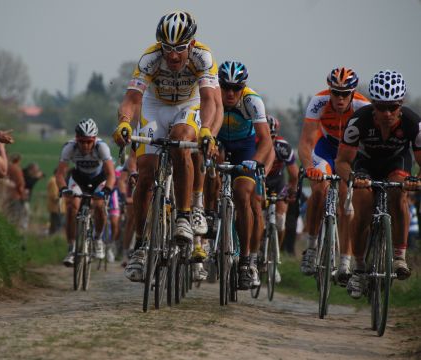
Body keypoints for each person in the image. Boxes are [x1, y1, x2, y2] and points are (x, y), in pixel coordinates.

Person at [112, 11, 223, 282]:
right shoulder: (149, 58)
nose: (173, 56)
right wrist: (125, 123)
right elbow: (131, 98)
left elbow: (210, 100)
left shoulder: (203, 57)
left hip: (189, 104)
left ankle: (185, 215)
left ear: (192, 44)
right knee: (146, 173)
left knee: (182, 142)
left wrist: (206, 129)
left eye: (180, 49)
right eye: (168, 49)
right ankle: (140, 246)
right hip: (155, 106)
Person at [335, 70, 421, 298]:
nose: (387, 112)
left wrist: (417, 181)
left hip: (397, 163)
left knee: (399, 193)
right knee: (361, 204)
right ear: (373, 104)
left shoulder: (413, 123)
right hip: (366, 165)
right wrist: (353, 178)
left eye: (392, 107)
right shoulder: (358, 121)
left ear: (400, 104)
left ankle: (399, 257)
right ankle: (359, 267)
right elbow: (342, 162)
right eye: (381, 107)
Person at [203, 61, 273, 290]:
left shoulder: (252, 101)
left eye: (236, 88)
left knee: (243, 195)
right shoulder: (212, 95)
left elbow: (265, 141)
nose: (230, 93)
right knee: (209, 168)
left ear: (243, 87)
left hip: (245, 148)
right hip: (220, 142)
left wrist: (254, 162)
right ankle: (210, 214)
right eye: (226, 87)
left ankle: (245, 261)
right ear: (219, 85)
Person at [298, 67, 370, 285]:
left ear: (353, 93)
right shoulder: (318, 102)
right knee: (318, 191)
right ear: (329, 91)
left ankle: (346, 263)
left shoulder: (363, 107)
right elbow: (306, 141)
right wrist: (310, 166)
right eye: (335, 93)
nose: (340, 98)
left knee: (348, 205)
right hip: (326, 150)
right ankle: (311, 248)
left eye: (345, 93)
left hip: (351, 154)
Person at [56, 118, 116, 265]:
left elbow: (111, 174)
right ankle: (72, 248)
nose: (85, 145)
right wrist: (64, 189)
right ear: (77, 139)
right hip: (78, 179)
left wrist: (107, 190)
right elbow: (60, 174)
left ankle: (97, 239)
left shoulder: (102, 147)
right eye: (82, 141)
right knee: (71, 207)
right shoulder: (69, 147)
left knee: (99, 206)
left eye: (89, 141)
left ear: (94, 139)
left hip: (98, 179)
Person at [262, 115, 299, 283]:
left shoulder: (283, 147)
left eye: (272, 136)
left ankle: (275, 257)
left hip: (278, 183)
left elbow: (293, 174)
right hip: (260, 180)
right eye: (266, 135)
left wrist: (291, 191)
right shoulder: (255, 142)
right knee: (257, 217)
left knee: (280, 219)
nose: (269, 139)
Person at [6, 154, 27, 229]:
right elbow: (20, 184)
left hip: (7, 194)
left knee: (8, 214)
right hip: (16, 195)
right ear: (18, 160)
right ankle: (14, 231)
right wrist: (23, 195)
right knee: (16, 216)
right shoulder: (17, 169)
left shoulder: (8, 167)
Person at [22, 162, 44, 230]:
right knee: (25, 213)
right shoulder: (24, 174)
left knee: (26, 213)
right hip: (22, 197)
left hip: (25, 198)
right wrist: (36, 178)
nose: (36, 172)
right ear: (31, 169)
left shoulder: (26, 173)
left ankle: (23, 228)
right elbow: (29, 184)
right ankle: (22, 228)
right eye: (35, 171)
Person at [47, 169, 63, 235]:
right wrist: (58, 199)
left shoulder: (53, 180)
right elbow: (54, 195)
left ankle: (52, 237)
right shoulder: (54, 181)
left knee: (53, 223)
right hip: (56, 206)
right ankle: (56, 237)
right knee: (57, 223)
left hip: (54, 206)